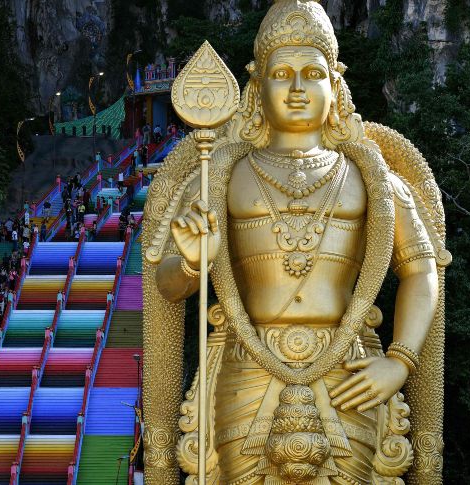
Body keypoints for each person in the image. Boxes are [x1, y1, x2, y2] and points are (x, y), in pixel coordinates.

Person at [143, 1, 447, 483]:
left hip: (348, 367)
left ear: (336, 84)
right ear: (257, 86)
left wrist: (400, 360)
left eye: (314, 73)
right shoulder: (218, 174)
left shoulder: (372, 176)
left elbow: (421, 269)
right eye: (282, 73)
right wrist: (192, 265)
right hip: (248, 364)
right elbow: (166, 284)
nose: (299, 88)